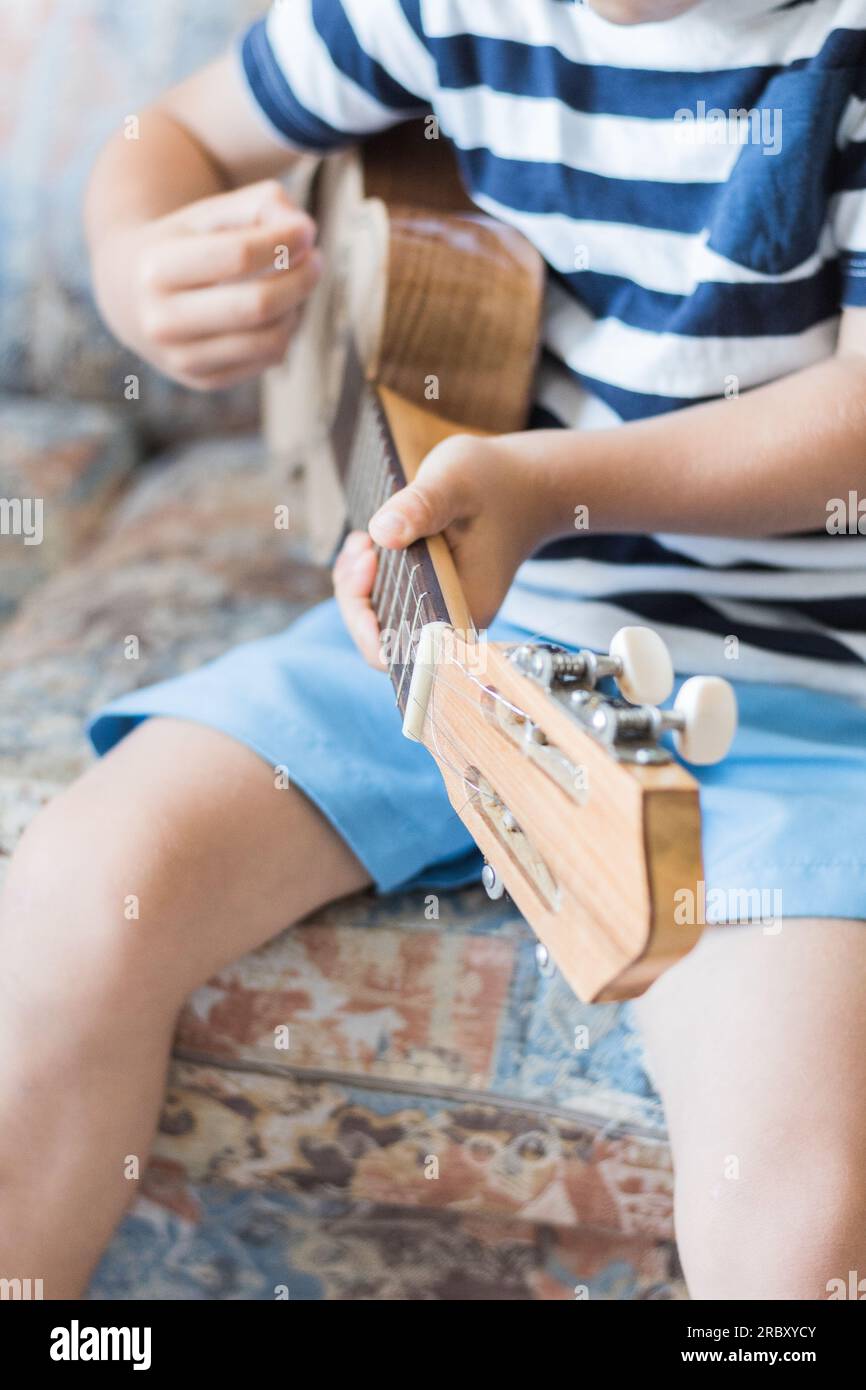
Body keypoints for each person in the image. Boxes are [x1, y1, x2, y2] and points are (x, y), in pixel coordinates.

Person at [3, 0, 866, 1299]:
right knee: (78, 893)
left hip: (792, 701)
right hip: (462, 616)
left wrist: (544, 486)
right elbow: (169, 133)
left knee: (794, 1209)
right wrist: (141, 264)